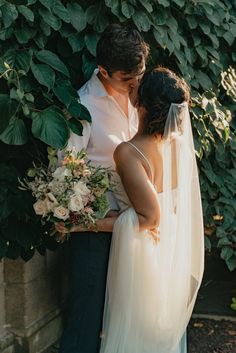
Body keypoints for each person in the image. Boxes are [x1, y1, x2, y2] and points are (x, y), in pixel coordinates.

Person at [57, 67, 204, 353]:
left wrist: (82, 224)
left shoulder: (129, 152)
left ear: (140, 103)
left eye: (137, 86)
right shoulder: (174, 149)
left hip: (140, 256)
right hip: (167, 249)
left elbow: (149, 217)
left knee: (134, 333)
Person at [56, 24, 149, 353]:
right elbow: (64, 177)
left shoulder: (142, 97)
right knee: (86, 322)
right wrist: (95, 214)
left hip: (136, 231)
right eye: (127, 79)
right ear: (103, 71)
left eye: (138, 75)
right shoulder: (83, 108)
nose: (135, 84)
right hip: (96, 233)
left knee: (125, 323)